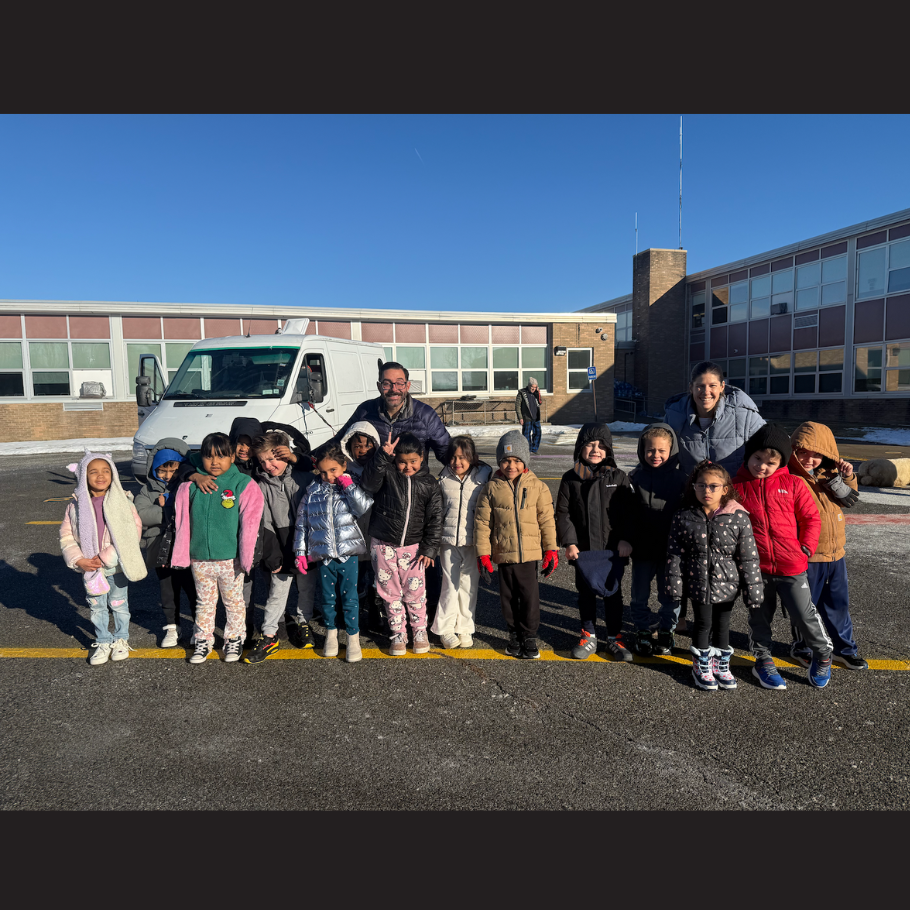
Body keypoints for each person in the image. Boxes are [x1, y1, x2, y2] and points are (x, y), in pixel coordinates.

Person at [732, 424, 832, 690]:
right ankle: (763, 660)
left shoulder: (794, 484)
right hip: (755, 568)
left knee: (804, 614)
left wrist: (806, 547)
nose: (762, 466)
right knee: (759, 616)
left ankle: (823, 654)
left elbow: (811, 518)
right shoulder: (735, 487)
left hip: (791, 565)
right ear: (748, 456)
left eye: (771, 462)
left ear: (781, 463)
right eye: (757, 458)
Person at [667, 461, 764, 691]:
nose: (707, 491)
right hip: (698, 583)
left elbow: (748, 557)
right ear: (694, 487)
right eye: (701, 485)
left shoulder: (738, 517)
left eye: (713, 486)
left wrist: (753, 590)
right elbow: (674, 555)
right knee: (702, 624)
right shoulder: (684, 516)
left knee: (722, 625)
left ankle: (721, 665)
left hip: (727, 585)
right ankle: (701, 665)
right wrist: (674, 586)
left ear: (725, 489)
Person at [171, 432, 264, 664]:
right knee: (204, 602)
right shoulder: (191, 485)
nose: (215, 462)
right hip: (199, 558)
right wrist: (194, 476)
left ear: (232, 457)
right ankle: (202, 640)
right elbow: (182, 521)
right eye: (209, 456)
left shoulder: (241, 483)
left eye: (221, 456)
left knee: (234, 602)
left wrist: (246, 556)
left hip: (230, 559)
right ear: (200, 457)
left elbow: (250, 523)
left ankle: (234, 639)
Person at [787, 422, 867, 670]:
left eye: (817, 454)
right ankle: (803, 647)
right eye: (802, 452)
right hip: (808, 557)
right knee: (804, 607)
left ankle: (844, 649)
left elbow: (848, 499)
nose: (809, 459)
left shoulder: (829, 475)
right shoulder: (790, 478)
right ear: (793, 450)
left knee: (838, 604)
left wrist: (848, 477)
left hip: (835, 554)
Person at [474, 430, 558, 660]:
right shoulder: (491, 488)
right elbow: (482, 524)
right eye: (506, 460)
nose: (511, 465)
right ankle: (514, 634)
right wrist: (483, 554)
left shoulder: (538, 487)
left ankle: (529, 636)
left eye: (516, 460)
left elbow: (547, 520)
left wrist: (551, 549)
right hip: (504, 554)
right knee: (508, 598)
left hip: (529, 555)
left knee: (529, 598)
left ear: (525, 461)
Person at [359, 431, 443, 656]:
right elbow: (368, 484)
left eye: (413, 461)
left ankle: (419, 631)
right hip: (383, 545)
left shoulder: (429, 483)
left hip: (413, 549)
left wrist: (429, 548)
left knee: (415, 592)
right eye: (402, 462)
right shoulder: (387, 473)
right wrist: (382, 456)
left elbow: (436, 518)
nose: (407, 467)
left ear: (422, 457)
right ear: (395, 460)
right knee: (390, 592)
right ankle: (398, 633)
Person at [555, 424, 634, 661]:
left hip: (612, 551)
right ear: (579, 447)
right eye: (589, 444)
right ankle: (588, 634)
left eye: (601, 445)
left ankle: (614, 637)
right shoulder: (571, 478)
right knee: (586, 593)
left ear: (608, 449)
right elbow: (563, 513)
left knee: (613, 594)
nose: (595, 450)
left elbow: (629, 513)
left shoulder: (618, 477)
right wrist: (570, 542)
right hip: (584, 551)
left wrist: (626, 539)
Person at [60, 451, 146, 666]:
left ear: (113, 474)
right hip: (90, 567)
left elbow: (131, 533)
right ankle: (103, 641)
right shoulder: (75, 506)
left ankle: (121, 638)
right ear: (83, 476)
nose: (100, 476)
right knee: (97, 607)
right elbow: (66, 536)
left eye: (106, 471)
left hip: (116, 566)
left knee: (119, 604)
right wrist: (78, 559)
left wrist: (106, 556)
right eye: (93, 472)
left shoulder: (123, 502)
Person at [243, 431, 319, 663]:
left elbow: (320, 466)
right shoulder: (260, 485)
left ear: (285, 455)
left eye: (272, 458)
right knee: (277, 592)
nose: (268, 465)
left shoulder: (305, 477)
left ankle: (304, 622)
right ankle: (269, 634)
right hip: (280, 544)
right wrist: (272, 555)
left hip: (307, 544)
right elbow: (264, 522)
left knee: (306, 587)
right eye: (262, 461)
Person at [293, 445, 373, 663]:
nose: (328, 476)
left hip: (348, 554)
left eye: (333, 470)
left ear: (344, 466)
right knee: (328, 599)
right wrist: (300, 552)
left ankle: (353, 637)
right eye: (323, 472)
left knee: (350, 598)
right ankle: (331, 634)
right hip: (324, 556)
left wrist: (348, 487)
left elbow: (363, 507)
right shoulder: (312, 492)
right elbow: (302, 524)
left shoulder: (350, 485)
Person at [627, 423, 687, 656]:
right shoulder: (634, 477)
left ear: (671, 450)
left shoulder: (682, 479)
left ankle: (666, 630)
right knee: (639, 594)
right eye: (650, 450)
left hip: (671, 551)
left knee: (670, 594)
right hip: (642, 548)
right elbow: (627, 513)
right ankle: (642, 629)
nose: (655, 455)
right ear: (642, 450)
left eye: (662, 450)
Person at [133, 437, 197, 648]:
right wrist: (171, 510)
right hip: (160, 548)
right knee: (168, 590)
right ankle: (172, 626)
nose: (168, 476)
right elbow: (141, 514)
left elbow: (195, 511)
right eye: (162, 471)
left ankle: (199, 626)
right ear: (153, 469)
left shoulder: (188, 485)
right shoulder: (147, 490)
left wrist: (168, 504)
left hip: (187, 548)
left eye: (173, 471)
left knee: (194, 589)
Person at [431, 435, 492, 649]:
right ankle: (445, 629)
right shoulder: (443, 478)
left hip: (473, 541)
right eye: (454, 457)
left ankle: (465, 627)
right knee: (449, 585)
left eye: (463, 457)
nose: (457, 462)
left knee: (469, 585)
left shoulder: (484, 475)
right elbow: (437, 511)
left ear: (472, 457)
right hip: (448, 541)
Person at [327, 361, 451, 464]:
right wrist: (315, 459)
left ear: (407, 386)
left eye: (399, 383)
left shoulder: (426, 415)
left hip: (413, 484)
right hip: (373, 484)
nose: (394, 389)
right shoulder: (365, 411)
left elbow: (446, 452)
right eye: (386, 384)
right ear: (379, 387)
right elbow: (337, 443)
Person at [664, 361, 766, 478]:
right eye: (700, 386)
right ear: (691, 387)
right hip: (691, 488)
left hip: (735, 487)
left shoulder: (744, 415)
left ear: (722, 387)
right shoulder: (675, 416)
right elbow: (660, 454)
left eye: (712, 386)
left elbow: (770, 451)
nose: (706, 392)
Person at [340, 421, 382, 622]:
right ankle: (351, 611)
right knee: (354, 576)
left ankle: (375, 609)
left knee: (377, 574)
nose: (363, 450)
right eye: (357, 446)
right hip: (353, 532)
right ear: (349, 448)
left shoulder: (381, 468)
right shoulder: (344, 471)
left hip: (376, 530)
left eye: (368, 445)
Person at [515, 377, 542, 455]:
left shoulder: (536, 393)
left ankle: (534, 449)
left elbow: (540, 402)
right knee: (526, 434)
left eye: (535, 387)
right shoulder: (522, 393)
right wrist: (520, 418)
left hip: (535, 417)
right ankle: (527, 449)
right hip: (526, 417)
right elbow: (517, 406)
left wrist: (538, 393)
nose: (533, 389)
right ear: (529, 386)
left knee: (538, 432)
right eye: (532, 387)